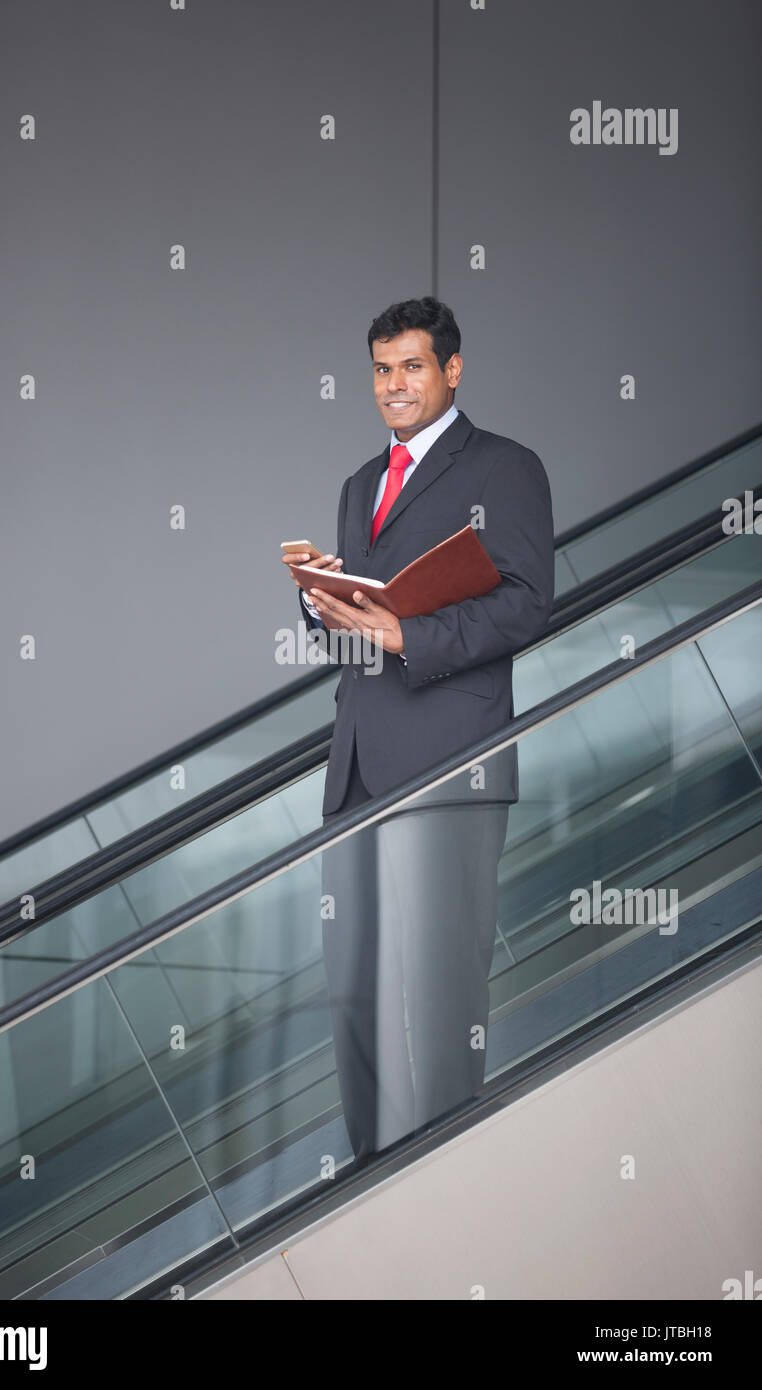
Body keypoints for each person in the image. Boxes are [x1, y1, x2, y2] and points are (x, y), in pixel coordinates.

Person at [282, 296, 554, 1159]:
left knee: (434, 1002)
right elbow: (360, 627)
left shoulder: (503, 468)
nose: (394, 385)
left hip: (449, 767)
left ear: (452, 370)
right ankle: (370, 1181)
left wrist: (410, 634)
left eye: (411, 367)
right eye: (381, 370)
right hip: (357, 766)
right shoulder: (361, 483)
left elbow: (526, 604)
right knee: (356, 997)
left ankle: (435, 1179)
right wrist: (323, 602)